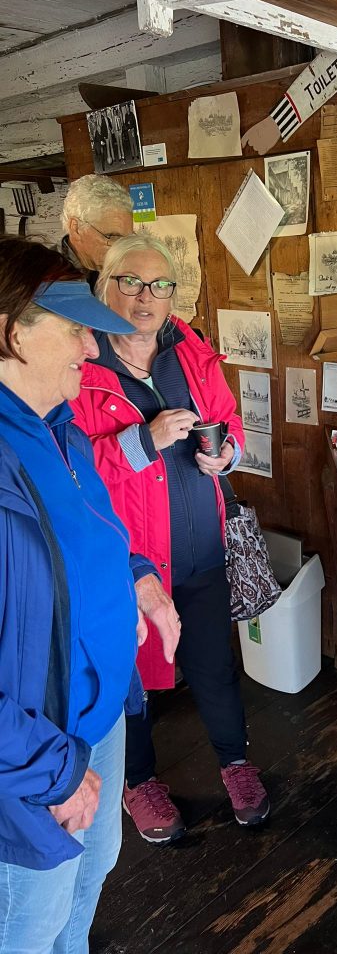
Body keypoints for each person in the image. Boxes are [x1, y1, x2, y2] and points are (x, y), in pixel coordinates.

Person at [0, 236, 180, 953]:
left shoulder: (63, 430)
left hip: (99, 718)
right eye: (73, 328)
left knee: (89, 882)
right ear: (13, 333)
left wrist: (139, 577)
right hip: (34, 753)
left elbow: (98, 536)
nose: (92, 346)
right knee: (27, 925)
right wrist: (54, 770)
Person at [70, 234, 270, 844]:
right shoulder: (82, 363)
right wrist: (141, 441)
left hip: (200, 543)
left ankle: (235, 763)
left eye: (160, 285)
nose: (146, 297)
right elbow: (71, 470)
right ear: (105, 285)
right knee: (129, 676)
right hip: (126, 561)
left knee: (213, 664)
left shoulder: (189, 348)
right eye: (131, 281)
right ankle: (139, 782)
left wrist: (228, 452)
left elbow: (227, 417)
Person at [60, 174, 134, 288]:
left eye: (127, 239)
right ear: (76, 228)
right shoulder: (47, 279)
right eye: (112, 237)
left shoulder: (122, 272)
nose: (122, 250)